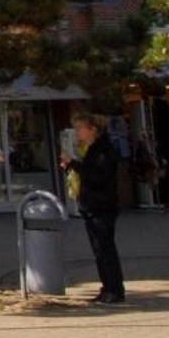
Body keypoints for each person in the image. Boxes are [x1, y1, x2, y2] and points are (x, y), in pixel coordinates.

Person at [61, 112, 127, 303]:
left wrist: (74, 165)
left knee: (105, 249)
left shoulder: (103, 149)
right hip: (92, 205)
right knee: (99, 250)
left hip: (102, 205)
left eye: (80, 128)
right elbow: (89, 174)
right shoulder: (91, 149)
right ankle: (107, 287)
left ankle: (114, 290)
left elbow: (98, 176)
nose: (77, 132)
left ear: (93, 130)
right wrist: (70, 167)